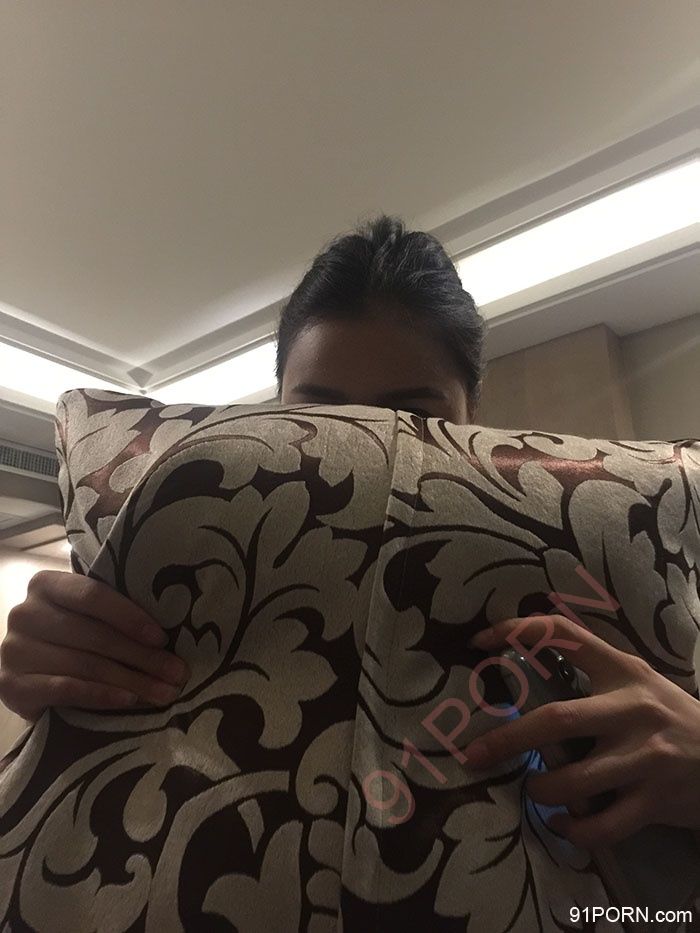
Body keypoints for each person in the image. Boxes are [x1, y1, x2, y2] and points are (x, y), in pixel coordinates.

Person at [1, 215, 699, 852]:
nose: (364, 453)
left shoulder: (608, 565)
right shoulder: (191, 558)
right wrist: (62, 700)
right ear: (276, 409)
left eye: (410, 421)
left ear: (475, 417)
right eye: (321, 418)